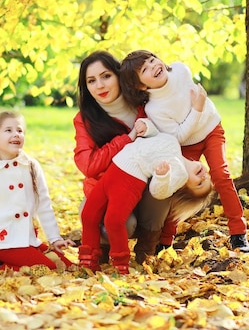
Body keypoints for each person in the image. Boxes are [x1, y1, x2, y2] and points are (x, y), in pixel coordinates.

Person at [120, 49, 249, 252]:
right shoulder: (155, 109)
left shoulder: (181, 71)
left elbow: (192, 112)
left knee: (221, 175)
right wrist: (197, 108)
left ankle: (238, 233)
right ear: (140, 85)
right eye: (145, 69)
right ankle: (165, 240)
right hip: (186, 144)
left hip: (211, 129)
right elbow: (179, 135)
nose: (154, 66)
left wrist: (199, 112)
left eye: (153, 59)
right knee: (178, 186)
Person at [74, 50, 180, 264]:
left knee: (164, 174)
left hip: (145, 191)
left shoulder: (147, 107)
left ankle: (147, 249)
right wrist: (127, 139)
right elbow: (89, 165)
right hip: (106, 193)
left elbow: (171, 150)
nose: (100, 86)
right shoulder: (85, 120)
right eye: (92, 81)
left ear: (119, 75)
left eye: (106, 76)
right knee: (119, 224)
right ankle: (104, 248)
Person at [79, 132, 214, 274]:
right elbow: (156, 133)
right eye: (208, 177)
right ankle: (87, 258)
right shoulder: (175, 144)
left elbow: (158, 192)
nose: (204, 176)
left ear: (184, 187)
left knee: (113, 220)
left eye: (200, 184)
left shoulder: (178, 175)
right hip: (115, 168)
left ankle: (120, 263)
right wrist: (147, 126)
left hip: (130, 178)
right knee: (88, 214)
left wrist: (162, 177)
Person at [0, 111, 75, 271]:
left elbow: (43, 204)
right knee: (47, 268)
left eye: (20, 130)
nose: (16, 134)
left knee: (67, 266)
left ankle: (6, 263)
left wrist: (55, 239)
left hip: (28, 239)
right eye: (8, 130)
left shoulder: (31, 166)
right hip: (3, 241)